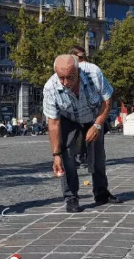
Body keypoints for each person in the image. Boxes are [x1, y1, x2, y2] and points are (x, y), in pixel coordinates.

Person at [44, 54, 120, 213]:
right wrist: (56, 154)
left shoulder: (94, 73)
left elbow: (107, 101)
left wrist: (98, 125)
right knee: (68, 157)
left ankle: (101, 192)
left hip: (93, 115)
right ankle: (71, 196)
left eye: (70, 77)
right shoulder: (50, 88)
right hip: (68, 119)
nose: (65, 83)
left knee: (98, 156)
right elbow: (53, 123)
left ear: (78, 71)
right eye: (61, 78)